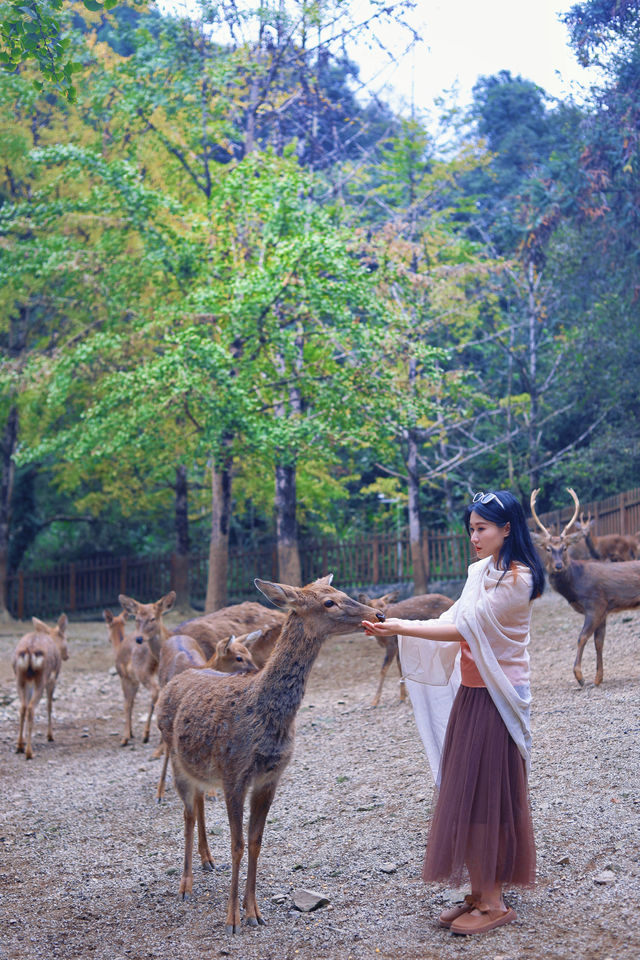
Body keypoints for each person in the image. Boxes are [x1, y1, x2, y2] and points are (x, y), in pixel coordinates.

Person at [362, 490, 544, 936]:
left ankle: (495, 902)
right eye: (471, 529)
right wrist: (398, 625)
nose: (474, 537)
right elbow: (456, 613)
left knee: (486, 797)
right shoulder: (484, 572)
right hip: (474, 693)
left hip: (497, 699)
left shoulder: (517, 579)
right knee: (469, 791)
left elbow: (464, 625)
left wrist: (400, 625)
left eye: (482, 528)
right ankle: (480, 892)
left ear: (507, 529)